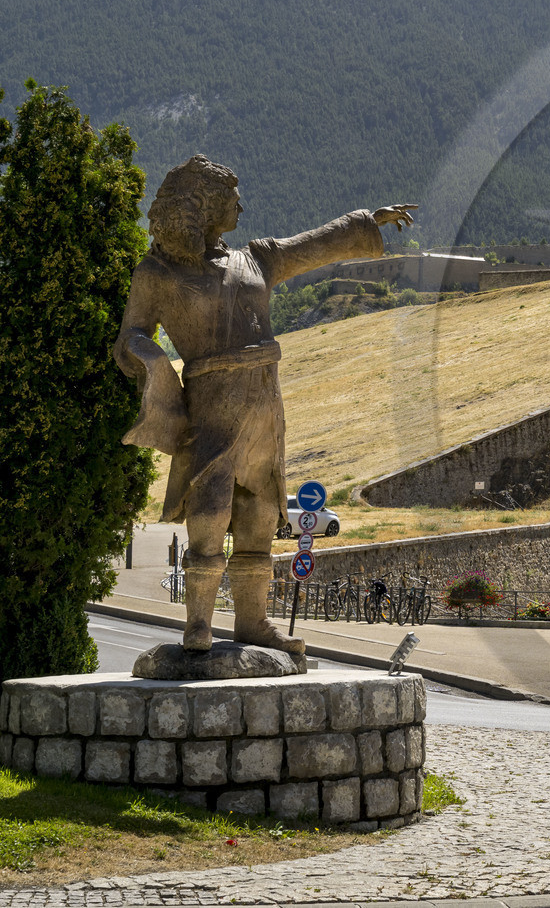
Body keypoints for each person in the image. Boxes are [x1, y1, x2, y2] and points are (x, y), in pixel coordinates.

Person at [116, 155, 418, 655]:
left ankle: (253, 623)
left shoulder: (254, 259)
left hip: (264, 406)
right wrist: (154, 365)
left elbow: (314, 246)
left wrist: (368, 220)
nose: (242, 205)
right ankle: (198, 626)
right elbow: (131, 336)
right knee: (209, 513)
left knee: (260, 516)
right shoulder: (157, 273)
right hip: (212, 405)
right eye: (233, 197)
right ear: (206, 205)